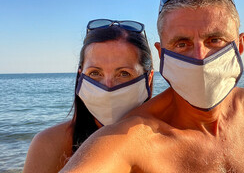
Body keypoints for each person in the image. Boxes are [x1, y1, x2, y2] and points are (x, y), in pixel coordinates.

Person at [61, 0, 244, 173]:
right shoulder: (132, 138)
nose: (200, 57)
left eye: (215, 40)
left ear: (240, 45)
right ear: (162, 53)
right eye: (182, 43)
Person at [23, 19, 154, 173]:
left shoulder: (168, 142)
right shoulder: (49, 143)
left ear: (148, 77)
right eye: (95, 73)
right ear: (81, 76)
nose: (108, 86)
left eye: (123, 73)